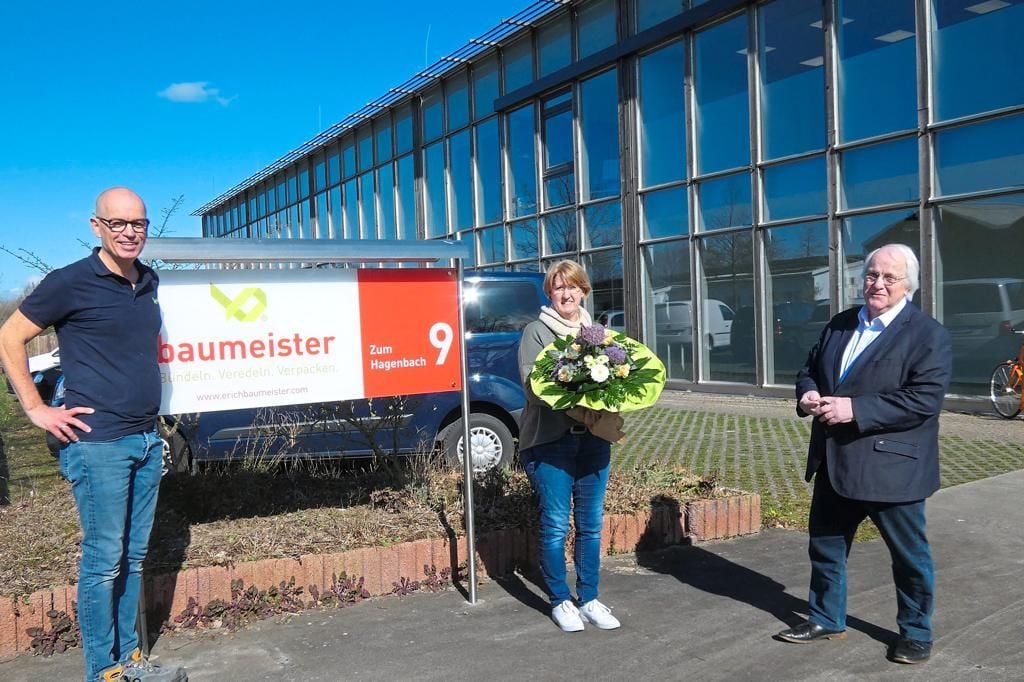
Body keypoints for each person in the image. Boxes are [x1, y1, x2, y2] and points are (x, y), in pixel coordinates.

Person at [0, 188, 187, 682]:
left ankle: (130, 661)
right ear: (96, 226)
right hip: (98, 442)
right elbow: (8, 337)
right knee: (104, 561)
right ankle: (102, 671)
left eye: (138, 224)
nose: (130, 232)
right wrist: (37, 409)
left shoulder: (148, 280)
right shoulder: (70, 282)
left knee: (133, 555)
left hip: (145, 439)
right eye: (118, 223)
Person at [775, 244, 952, 665]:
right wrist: (808, 394)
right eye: (872, 275)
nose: (878, 284)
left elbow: (924, 400)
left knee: (909, 558)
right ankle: (825, 617)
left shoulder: (928, 334)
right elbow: (809, 369)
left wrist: (854, 409)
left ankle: (915, 632)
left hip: (893, 468)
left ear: (909, 284)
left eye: (890, 277)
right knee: (826, 548)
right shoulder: (840, 324)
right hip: (835, 462)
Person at [517, 259, 621, 632]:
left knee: (591, 525)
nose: (566, 293)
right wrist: (577, 388)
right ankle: (561, 600)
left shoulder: (602, 335)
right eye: (559, 287)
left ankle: (590, 598)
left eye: (573, 287)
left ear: (583, 291)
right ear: (550, 293)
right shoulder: (537, 332)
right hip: (549, 443)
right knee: (557, 525)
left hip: (593, 441)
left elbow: (618, 382)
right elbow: (534, 388)